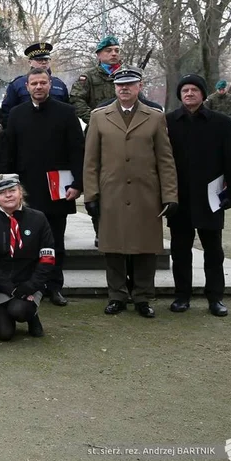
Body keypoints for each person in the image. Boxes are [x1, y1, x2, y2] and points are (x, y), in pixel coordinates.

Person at [84, 68, 178, 319]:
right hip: (111, 192)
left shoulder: (155, 117)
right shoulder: (99, 117)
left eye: (130, 84)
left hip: (146, 193)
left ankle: (143, 297)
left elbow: (165, 160)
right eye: (120, 85)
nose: (124, 89)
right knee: (113, 248)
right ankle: (116, 295)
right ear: (114, 88)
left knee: (145, 248)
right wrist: (91, 195)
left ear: (140, 86)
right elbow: (91, 161)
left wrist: (170, 195)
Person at [4, 68, 84, 307]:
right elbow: (10, 153)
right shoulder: (16, 114)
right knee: (26, 241)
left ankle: (54, 287)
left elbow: (77, 151)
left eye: (43, 83)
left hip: (57, 189)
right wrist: (10, 186)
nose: (38, 87)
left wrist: (78, 184)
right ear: (26, 87)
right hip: (25, 190)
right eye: (34, 83)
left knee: (56, 241)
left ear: (50, 85)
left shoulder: (67, 113)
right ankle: (28, 285)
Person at [166, 74, 231, 317]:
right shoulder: (168, 122)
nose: (189, 94)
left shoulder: (220, 122)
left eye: (194, 90)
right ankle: (182, 296)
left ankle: (215, 297)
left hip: (211, 198)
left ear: (202, 94)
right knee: (180, 251)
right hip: (179, 199)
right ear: (180, 95)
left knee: (213, 251)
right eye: (185, 90)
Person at [0, 174, 54, 340]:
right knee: (4, 334)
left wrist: (30, 286)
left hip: (29, 284)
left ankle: (31, 315)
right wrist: (9, 288)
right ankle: (3, 311)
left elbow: (47, 259)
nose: (8, 195)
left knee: (18, 311)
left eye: (12, 190)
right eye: (2, 193)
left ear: (21, 192)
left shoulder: (39, 219)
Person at [0, 42, 70, 126]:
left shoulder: (59, 84)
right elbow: (6, 113)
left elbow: (67, 111)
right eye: (39, 60)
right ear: (30, 62)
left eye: (46, 59)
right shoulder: (17, 84)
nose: (44, 62)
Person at [71, 35, 122, 124]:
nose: (114, 53)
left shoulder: (127, 74)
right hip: (98, 127)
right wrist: (94, 119)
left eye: (117, 50)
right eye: (108, 50)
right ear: (99, 55)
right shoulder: (89, 76)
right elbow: (76, 100)